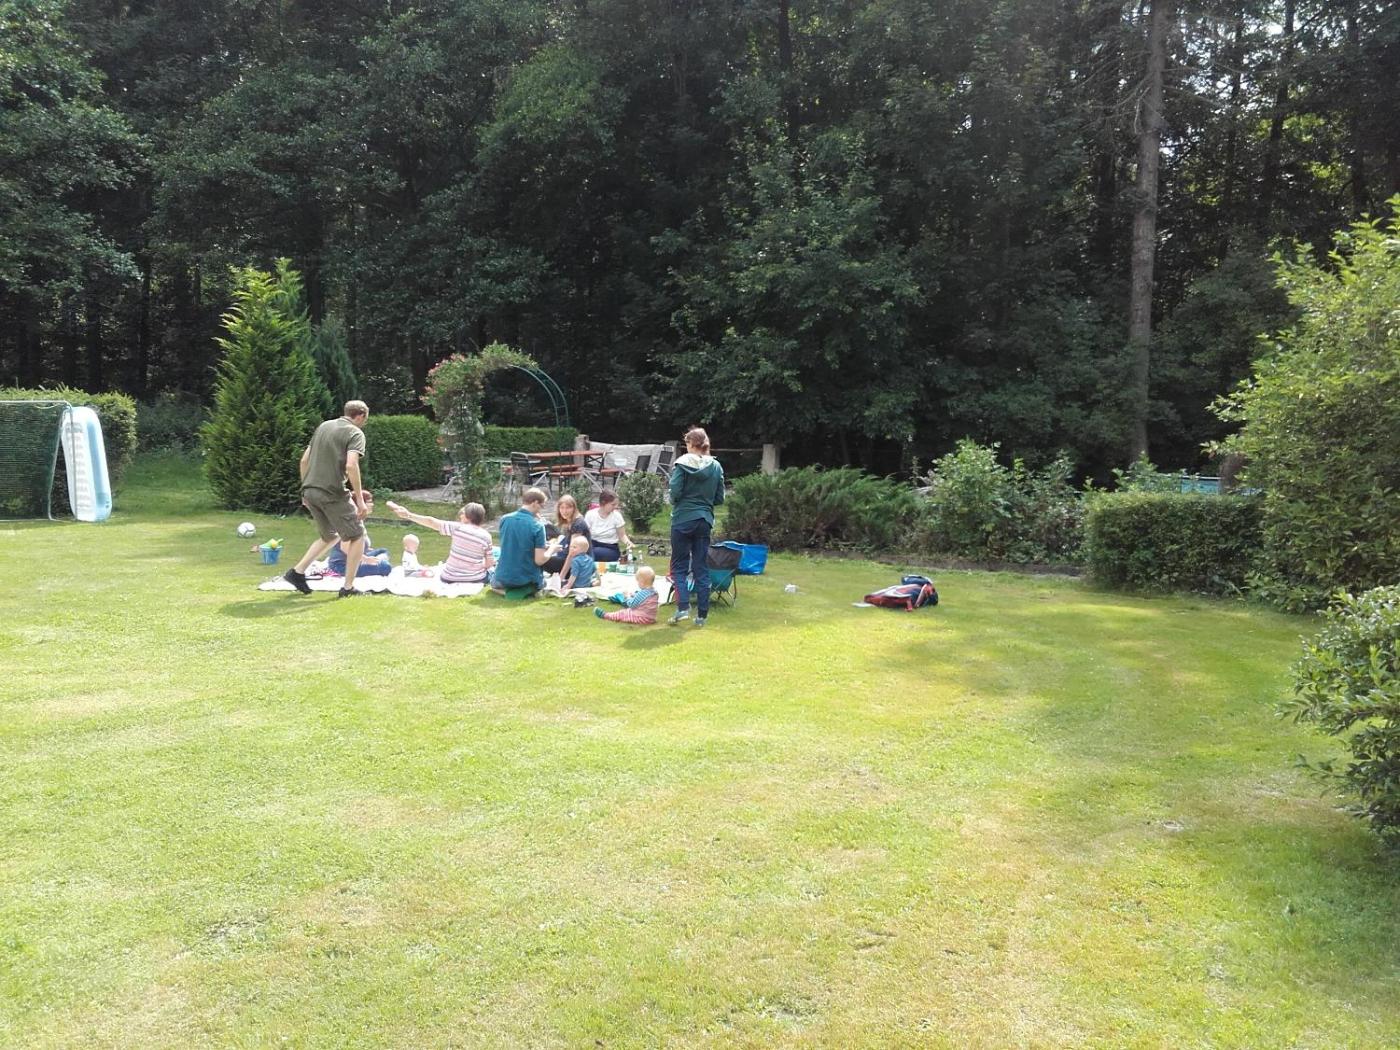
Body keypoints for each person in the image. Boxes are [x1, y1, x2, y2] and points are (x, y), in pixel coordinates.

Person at [284, 400, 371, 598]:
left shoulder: (324, 426)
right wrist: (360, 500)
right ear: (360, 416)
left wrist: (305, 488)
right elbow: (351, 465)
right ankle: (348, 588)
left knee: (330, 536)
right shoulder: (355, 433)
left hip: (310, 490)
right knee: (357, 535)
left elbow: (304, 460)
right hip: (332, 492)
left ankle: (297, 573)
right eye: (365, 420)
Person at [667, 426, 724, 627]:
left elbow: (674, 491)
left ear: (691, 444)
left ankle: (683, 607)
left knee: (679, 566)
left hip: (683, 519)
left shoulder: (682, 463)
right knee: (701, 567)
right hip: (704, 520)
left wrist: (676, 501)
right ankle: (702, 615)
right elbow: (720, 498)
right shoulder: (716, 467)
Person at [387, 500, 495, 585]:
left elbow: (431, 522)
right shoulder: (487, 536)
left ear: (467, 517)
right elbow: (489, 564)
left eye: (462, 514)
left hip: (449, 578)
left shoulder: (457, 528)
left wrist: (408, 515)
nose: (460, 516)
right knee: (492, 570)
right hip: (474, 579)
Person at [493, 487, 560, 595]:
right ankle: (522, 591)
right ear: (535, 503)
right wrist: (552, 549)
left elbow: (516, 543)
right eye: (542, 506)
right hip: (526, 579)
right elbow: (539, 560)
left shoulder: (505, 519)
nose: (541, 510)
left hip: (501, 578)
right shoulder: (537, 526)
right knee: (545, 581)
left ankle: (503, 590)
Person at [326, 491, 392, 577]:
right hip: (342, 566)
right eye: (369, 502)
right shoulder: (350, 522)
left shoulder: (359, 519)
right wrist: (366, 559)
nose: (372, 504)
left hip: (357, 559)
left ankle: (376, 562)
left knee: (383, 551)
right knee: (385, 567)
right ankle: (376, 563)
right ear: (359, 504)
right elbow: (345, 548)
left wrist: (366, 551)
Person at [541, 493, 591, 574]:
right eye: (562, 508)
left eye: (568, 508)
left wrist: (561, 576)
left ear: (574, 508)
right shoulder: (569, 522)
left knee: (540, 559)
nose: (564, 511)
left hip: (577, 565)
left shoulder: (578, 524)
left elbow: (573, 553)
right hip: (565, 557)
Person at [593, 565, 659, 625]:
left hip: (641, 618)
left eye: (638, 581)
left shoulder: (642, 594)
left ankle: (605, 615)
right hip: (651, 618)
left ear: (642, 582)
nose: (638, 583)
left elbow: (631, 604)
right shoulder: (654, 592)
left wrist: (626, 597)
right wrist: (634, 596)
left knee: (623, 613)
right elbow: (644, 602)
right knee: (627, 611)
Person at [585, 489, 634, 563]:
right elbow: (585, 534)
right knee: (586, 552)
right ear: (603, 503)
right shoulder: (590, 514)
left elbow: (622, 535)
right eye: (613, 504)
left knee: (592, 553)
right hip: (593, 544)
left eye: (616, 504)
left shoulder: (617, 516)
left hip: (610, 548)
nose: (616, 507)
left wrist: (628, 543)